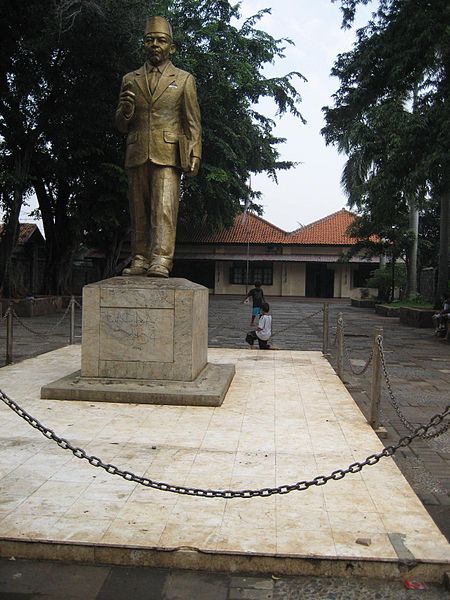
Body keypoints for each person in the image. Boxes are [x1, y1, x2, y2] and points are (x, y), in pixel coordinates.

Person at [115, 16, 202, 278]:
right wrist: (126, 110)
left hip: (168, 153)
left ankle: (161, 259)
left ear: (171, 47)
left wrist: (195, 152)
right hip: (137, 150)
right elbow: (120, 124)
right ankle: (140, 258)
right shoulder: (130, 79)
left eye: (161, 40)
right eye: (150, 40)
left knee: (164, 209)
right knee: (138, 210)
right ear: (144, 44)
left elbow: (192, 121)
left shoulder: (184, 79)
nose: (155, 44)